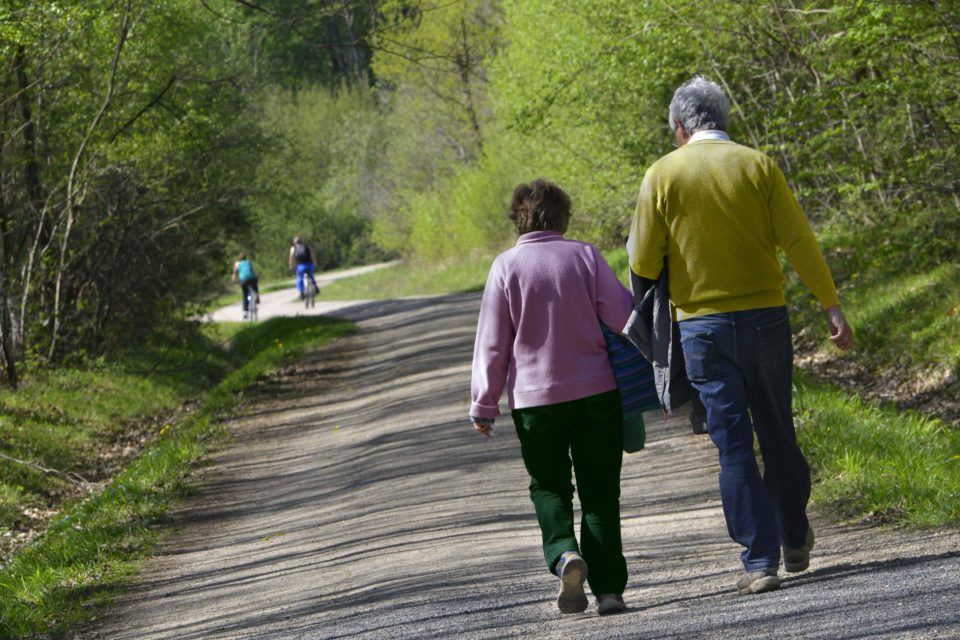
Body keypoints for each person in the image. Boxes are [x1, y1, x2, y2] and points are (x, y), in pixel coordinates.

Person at [627, 76, 854, 595]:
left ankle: (760, 562)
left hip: (701, 329)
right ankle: (795, 536)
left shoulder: (661, 175)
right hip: (767, 321)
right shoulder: (757, 165)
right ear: (722, 118)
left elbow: (642, 260)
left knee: (732, 447)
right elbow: (799, 240)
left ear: (679, 127)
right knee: (778, 431)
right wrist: (830, 304)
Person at [470, 179, 634, 616]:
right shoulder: (585, 256)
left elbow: (492, 344)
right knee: (600, 493)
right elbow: (624, 317)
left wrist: (484, 404)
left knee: (549, 486)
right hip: (597, 394)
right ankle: (610, 591)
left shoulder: (506, 266)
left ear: (518, 218)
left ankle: (564, 554)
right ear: (563, 216)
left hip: (535, 402)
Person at [231, 252, 260, 319]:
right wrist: (256, 277)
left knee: (245, 294)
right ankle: (256, 299)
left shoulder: (237, 263)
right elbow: (253, 271)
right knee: (255, 289)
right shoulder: (249, 262)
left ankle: (245, 312)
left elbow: (234, 273)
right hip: (252, 279)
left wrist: (233, 281)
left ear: (239, 258)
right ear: (245, 257)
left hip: (243, 280)